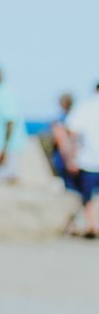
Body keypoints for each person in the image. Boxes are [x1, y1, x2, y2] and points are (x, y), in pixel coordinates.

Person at [63, 81, 99, 238]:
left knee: (87, 196)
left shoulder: (85, 107)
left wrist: (71, 158)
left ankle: (93, 225)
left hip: (88, 160)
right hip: (90, 160)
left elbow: (73, 134)